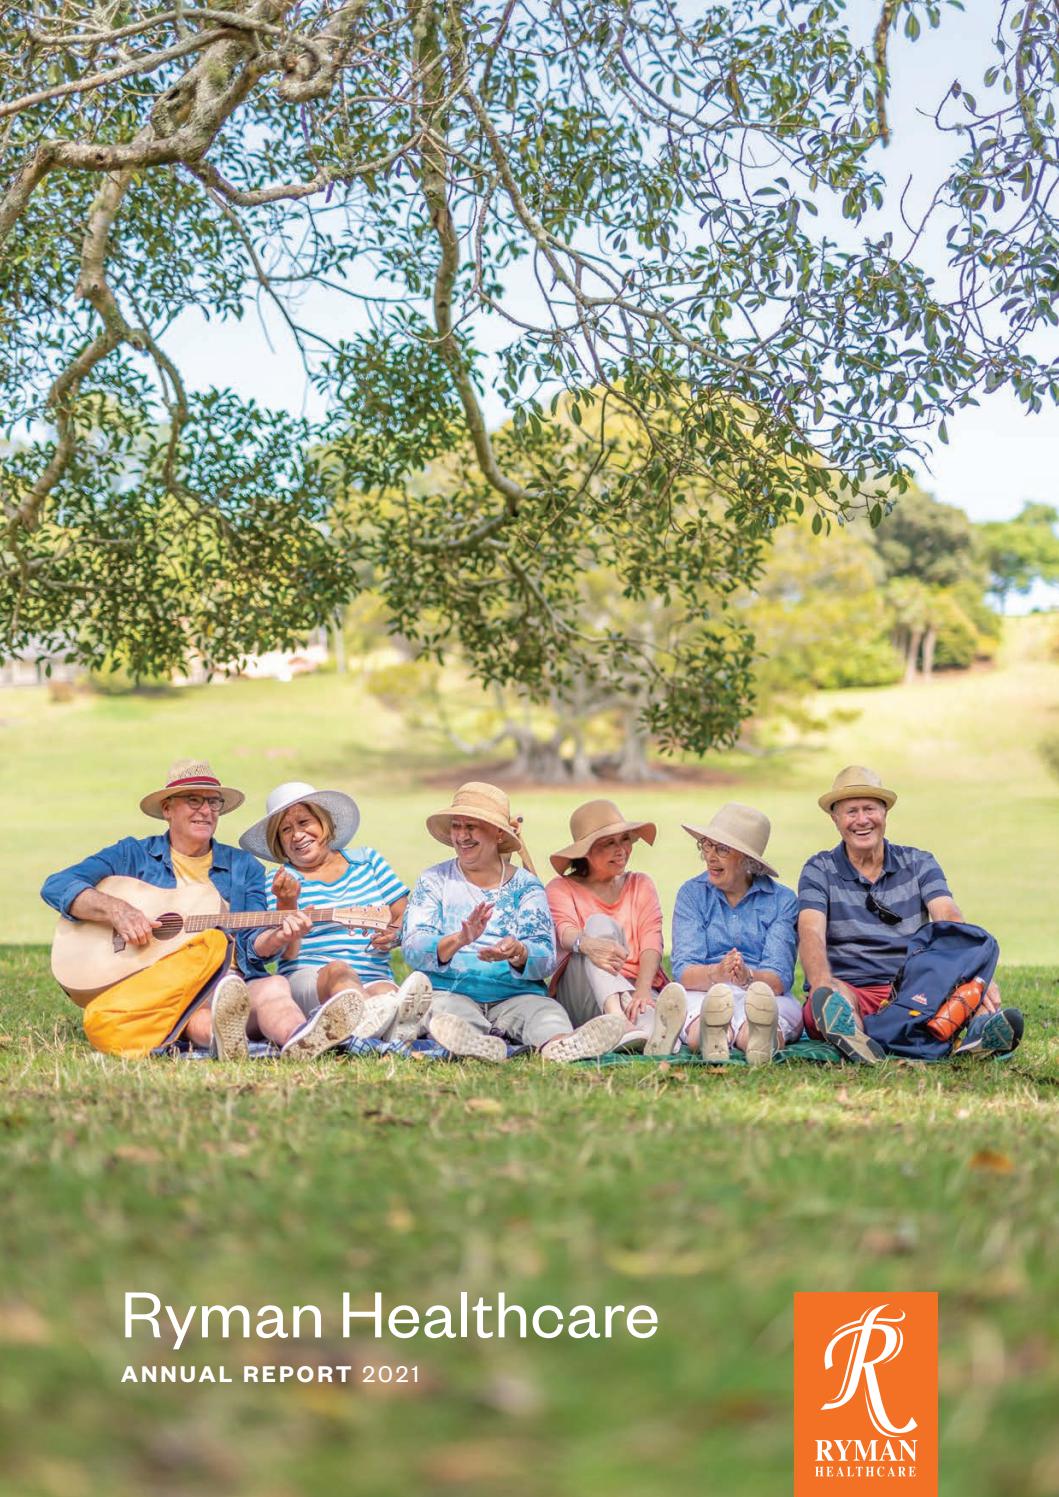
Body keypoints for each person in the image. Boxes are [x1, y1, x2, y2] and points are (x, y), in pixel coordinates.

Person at [40, 759, 367, 1061]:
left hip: (234, 983)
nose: (206, 811)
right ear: (167, 809)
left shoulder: (243, 867)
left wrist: (279, 935)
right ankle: (227, 1039)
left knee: (274, 988)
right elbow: (57, 885)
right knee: (196, 1013)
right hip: (166, 989)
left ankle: (301, 1039)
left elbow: (253, 947)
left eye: (213, 802)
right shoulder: (132, 855)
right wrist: (117, 910)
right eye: (194, 800)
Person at [798, 765, 1022, 1063]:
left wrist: (977, 974)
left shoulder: (919, 862)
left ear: (885, 812)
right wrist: (820, 984)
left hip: (915, 989)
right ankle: (856, 1033)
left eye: (870, 809)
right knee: (831, 999)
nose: (862, 820)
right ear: (835, 818)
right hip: (851, 987)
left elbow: (948, 917)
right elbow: (810, 932)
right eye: (851, 811)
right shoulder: (819, 869)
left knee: (964, 994)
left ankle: (980, 1033)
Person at [402, 782, 625, 1062]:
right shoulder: (434, 880)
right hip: (450, 991)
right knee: (443, 1011)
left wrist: (519, 952)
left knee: (548, 1015)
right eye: (456, 826)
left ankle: (560, 1045)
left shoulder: (526, 886)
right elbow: (413, 947)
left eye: (471, 826)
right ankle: (477, 1042)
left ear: (498, 833)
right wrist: (459, 940)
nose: (462, 835)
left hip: (517, 996)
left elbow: (545, 957)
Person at [239, 781, 429, 1043]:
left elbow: (404, 915)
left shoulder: (367, 861)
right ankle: (376, 1022)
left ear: (324, 823)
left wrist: (394, 934)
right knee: (339, 971)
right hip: (310, 979)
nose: (297, 835)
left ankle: (381, 1019)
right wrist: (287, 903)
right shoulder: (280, 881)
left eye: (304, 822)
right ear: (278, 842)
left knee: (386, 991)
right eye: (286, 830)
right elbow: (287, 954)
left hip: (373, 974)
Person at [545, 800, 685, 1055]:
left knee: (649, 1024)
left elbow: (651, 941)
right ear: (585, 852)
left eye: (625, 839)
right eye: (609, 843)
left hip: (634, 990)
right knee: (598, 924)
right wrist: (588, 944)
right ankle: (616, 1019)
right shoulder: (561, 888)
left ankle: (642, 1033)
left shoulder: (641, 884)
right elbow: (565, 933)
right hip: (583, 992)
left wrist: (643, 991)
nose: (621, 850)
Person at [670, 803, 804, 1064]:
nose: (710, 856)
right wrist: (717, 974)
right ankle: (711, 1036)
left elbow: (779, 979)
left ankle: (755, 1039)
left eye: (722, 849)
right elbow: (684, 971)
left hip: (762, 992)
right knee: (698, 1009)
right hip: (704, 990)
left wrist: (747, 977)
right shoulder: (692, 894)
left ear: (748, 861)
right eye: (707, 845)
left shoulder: (782, 900)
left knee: (772, 1009)